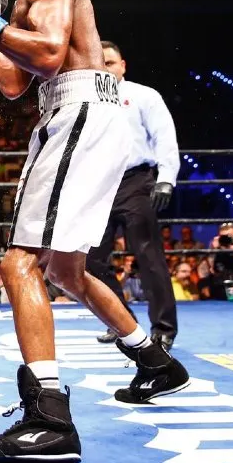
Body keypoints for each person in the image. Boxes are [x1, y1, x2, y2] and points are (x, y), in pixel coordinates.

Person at [0, 0, 189, 463]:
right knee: (65, 269)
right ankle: (155, 361)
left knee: (20, 263)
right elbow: (12, 85)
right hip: (75, 113)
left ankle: (49, 420)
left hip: (78, 111)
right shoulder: (17, 0)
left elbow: (52, 54)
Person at [87, 41, 181, 348]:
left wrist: (166, 178)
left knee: (148, 256)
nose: (105, 68)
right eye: (100, 63)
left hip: (136, 181)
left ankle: (164, 328)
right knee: (91, 260)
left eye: (110, 62)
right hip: (98, 184)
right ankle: (121, 321)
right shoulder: (86, 100)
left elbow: (164, 136)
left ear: (123, 65)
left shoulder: (143, 95)